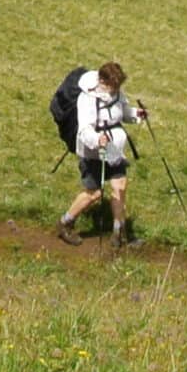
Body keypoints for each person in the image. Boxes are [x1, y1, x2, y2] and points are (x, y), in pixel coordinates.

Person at [55, 61, 145, 248]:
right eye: (114, 86)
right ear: (103, 81)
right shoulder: (87, 99)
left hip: (113, 148)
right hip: (92, 152)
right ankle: (65, 223)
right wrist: (97, 140)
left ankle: (119, 233)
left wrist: (137, 114)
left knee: (120, 186)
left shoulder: (116, 93)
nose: (117, 90)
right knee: (93, 194)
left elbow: (122, 112)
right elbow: (84, 130)